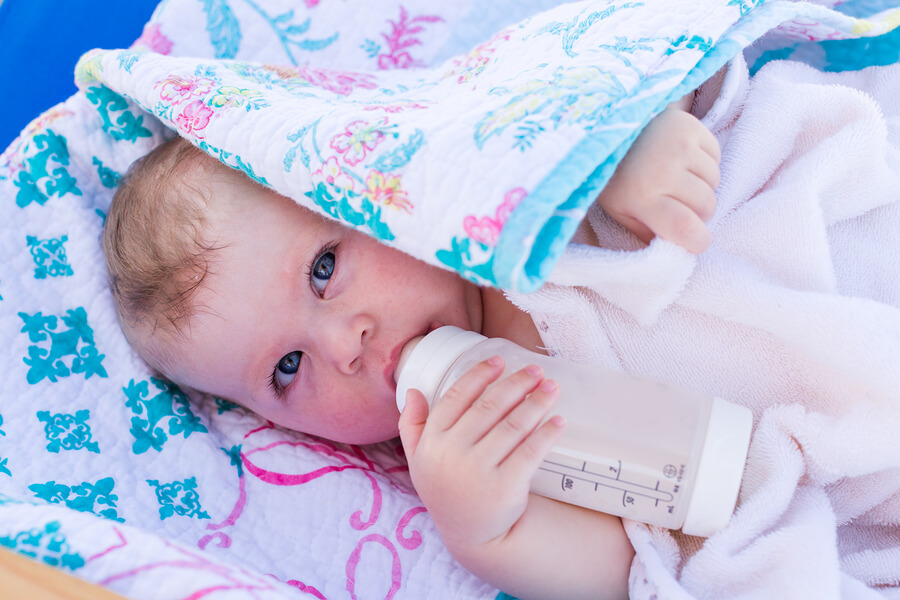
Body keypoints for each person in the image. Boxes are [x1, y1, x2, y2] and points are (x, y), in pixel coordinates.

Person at [103, 87, 720, 600]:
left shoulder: (515, 190)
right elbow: (635, 563)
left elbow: (638, 65)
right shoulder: (474, 452)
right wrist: (489, 532)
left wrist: (628, 148)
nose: (344, 344)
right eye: (288, 367)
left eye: (323, 269)